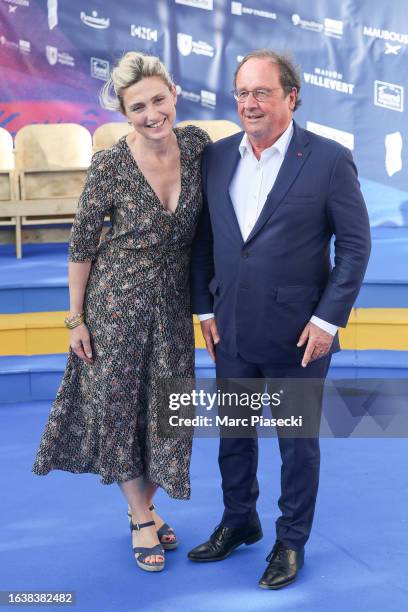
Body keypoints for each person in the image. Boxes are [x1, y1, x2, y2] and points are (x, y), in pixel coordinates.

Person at [188, 49, 371, 589]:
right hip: (232, 329)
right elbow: (204, 241)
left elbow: (355, 248)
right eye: (242, 92)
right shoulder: (217, 157)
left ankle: (290, 541)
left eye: (262, 92)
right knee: (234, 436)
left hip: (300, 337)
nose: (250, 103)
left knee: (297, 445)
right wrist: (204, 308)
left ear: (291, 97)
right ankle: (239, 521)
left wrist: (326, 321)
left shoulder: (330, 159)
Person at [33, 52, 210, 573]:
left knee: (170, 412)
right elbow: (82, 245)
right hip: (117, 305)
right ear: (124, 113)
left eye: (159, 100)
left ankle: (148, 505)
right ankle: (139, 516)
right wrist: (74, 318)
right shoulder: (110, 164)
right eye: (139, 107)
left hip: (175, 305)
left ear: (174, 94)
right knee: (121, 411)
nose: (152, 113)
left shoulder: (199, 146)